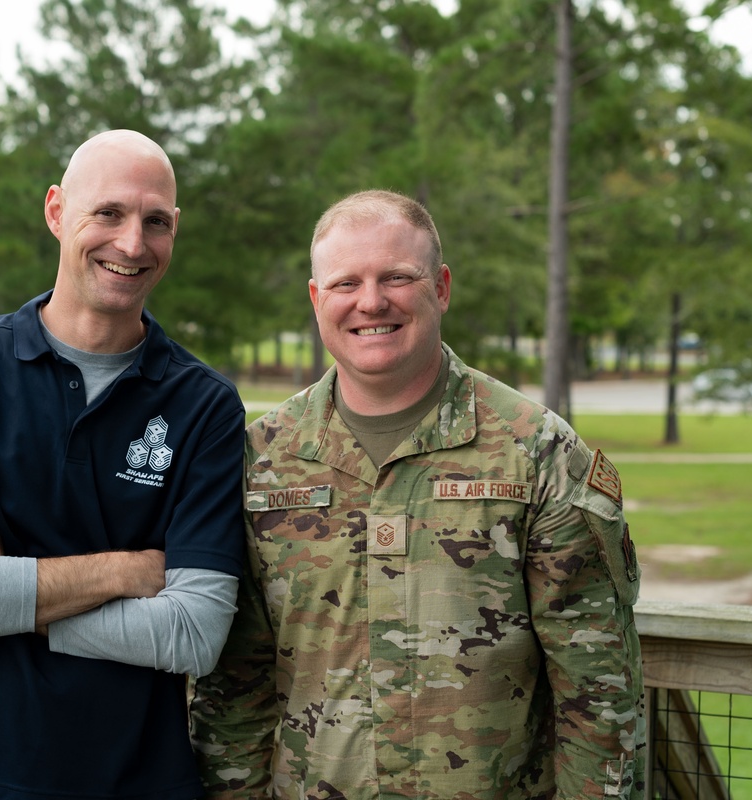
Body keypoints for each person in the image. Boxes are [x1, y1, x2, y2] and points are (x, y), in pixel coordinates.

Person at [189, 189, 645, 799]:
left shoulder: (535, 450)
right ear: (316, 298)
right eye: (346, 283)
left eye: (398, 277)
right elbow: (234, 689)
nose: (371, 301)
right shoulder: (263, 461)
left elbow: (598, 688)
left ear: (442, 287)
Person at [0, 129, 245, 800]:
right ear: (56, 211)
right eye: (108, 213)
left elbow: (193, 634)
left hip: (134, 780)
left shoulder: (206, 406)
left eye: (154, 221)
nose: (132, 243)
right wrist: (123, 571)